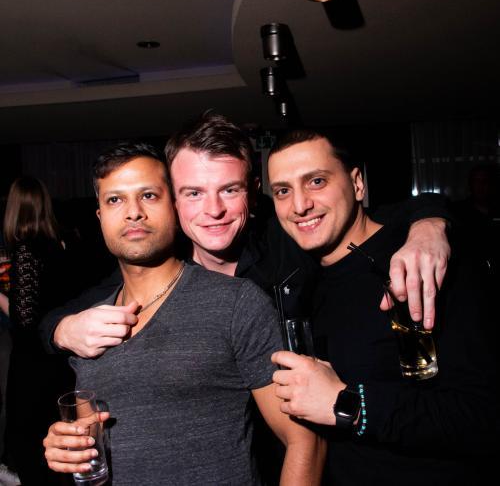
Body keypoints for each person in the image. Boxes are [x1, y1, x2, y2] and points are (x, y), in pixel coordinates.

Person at [40, 112, 451, 484]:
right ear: (175, 200)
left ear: (253, 194)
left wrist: (429, 224)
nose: (213, 210)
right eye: (194, 192)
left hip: (331, 450)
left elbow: (361, 216)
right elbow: (69, 314)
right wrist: (60, 329)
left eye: (229, 190)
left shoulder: (287, 244)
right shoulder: (150, 268)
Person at [43, 143, 324, 485]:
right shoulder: (87, 329)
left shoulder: (235, 303)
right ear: (100, 216)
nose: (133, 213)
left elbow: (305, 441)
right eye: (115, 200)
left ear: (174, 207)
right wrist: (68, 446)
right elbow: (91, 435)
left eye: (148, 195)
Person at [267, 130, 497, 485]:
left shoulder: (420, 261)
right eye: (283, 190)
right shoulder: (299, 279)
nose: (299, 205)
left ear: (357, 184)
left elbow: (484, 416)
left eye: (316, 181)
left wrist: (349, 404)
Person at [0, 177, 75, 485]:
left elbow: (23, 319)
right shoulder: (61, 243)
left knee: (30, 434)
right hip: (58, 354)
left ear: (13, 209)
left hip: (33, 358)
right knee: (56, 431)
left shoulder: (26, 249)